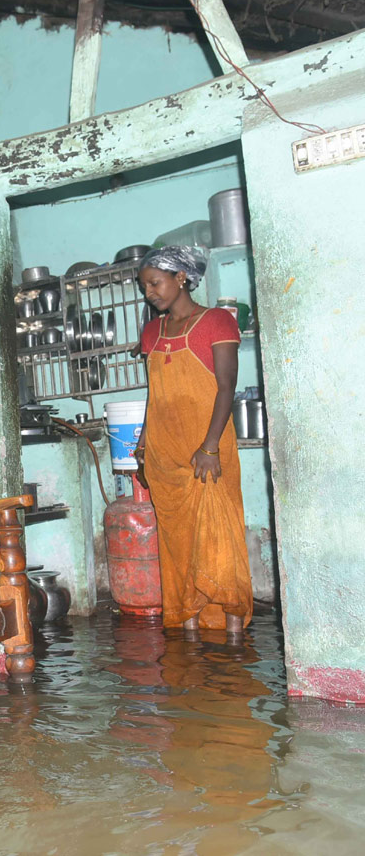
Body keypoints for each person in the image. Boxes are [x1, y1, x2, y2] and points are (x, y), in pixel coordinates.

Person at [135, 245, 252, 635]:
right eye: (144, 286)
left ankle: (234, 638)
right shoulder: (152, 331)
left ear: (180, 278)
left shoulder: (217, 321)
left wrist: (209, 447)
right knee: (178, 547)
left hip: (207, 451)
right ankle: (189, 638)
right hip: (165, 454)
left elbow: (226, 387)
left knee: (221, 544)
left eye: (154, 283)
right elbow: (156, 394)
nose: (149, 293)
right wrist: (143, 445)